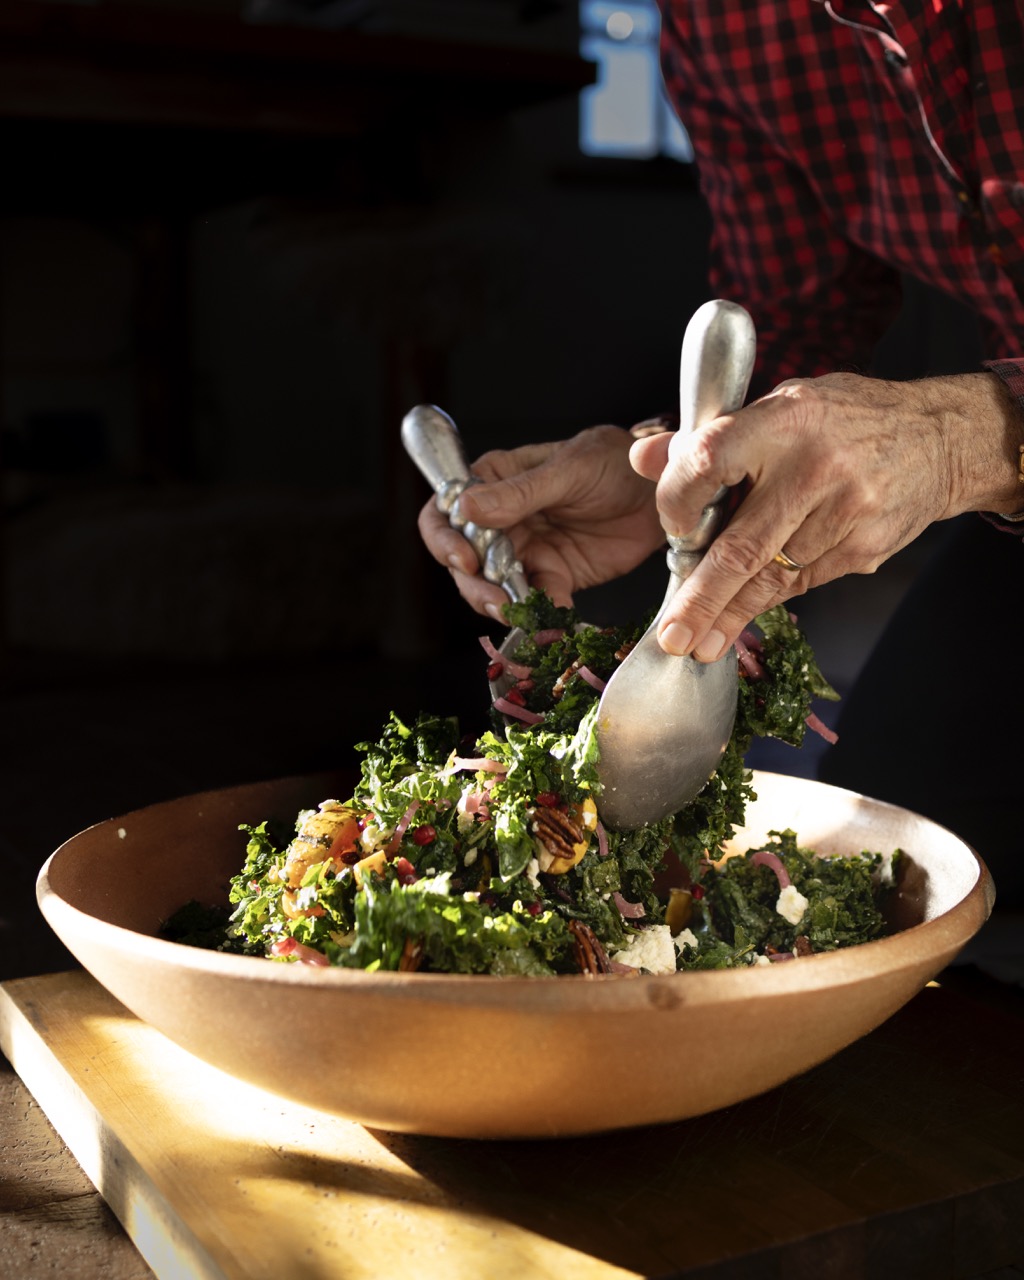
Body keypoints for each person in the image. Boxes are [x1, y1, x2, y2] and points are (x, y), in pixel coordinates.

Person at [417, 0, 1024, 907]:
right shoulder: (727, 23)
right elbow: (792, 325)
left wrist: (964, 441)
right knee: (912, 841)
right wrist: (675, 469)